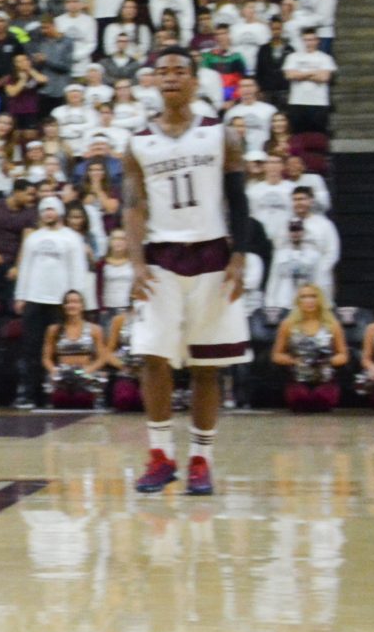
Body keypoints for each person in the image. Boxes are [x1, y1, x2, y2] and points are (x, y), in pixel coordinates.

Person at [127, 50, 261, 496]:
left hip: (213, 257)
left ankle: (201, 460)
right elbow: (133, 204)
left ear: (194, 79)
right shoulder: (137, 142)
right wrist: (134, 260)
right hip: (161, 258)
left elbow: (238, 200)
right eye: (163, 71)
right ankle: (160, 454)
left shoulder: (221, 136)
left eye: (178, 70)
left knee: (208, 365)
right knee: (151, 355)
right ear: (155, 81)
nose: (170, 77)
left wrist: (240, 255)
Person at [9, 195, 95, 412]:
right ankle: (30, 394)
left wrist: (77, 300)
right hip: (35, 299)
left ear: (60, 212)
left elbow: (78, 269)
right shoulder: (33, 239)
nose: (48, 213)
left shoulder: (72, 238)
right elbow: (25, 267)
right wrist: (21, 296)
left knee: (58, 349)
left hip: (60, 301)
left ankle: (55, 392)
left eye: (52, 209)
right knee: (31, 348)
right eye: (45, 209)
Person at [271, 282, 346, 413]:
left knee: (322, 399)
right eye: (304, 297)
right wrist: (294, 361)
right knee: (300, 399)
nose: (309, 300)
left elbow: (343, 355)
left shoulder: (333, 325)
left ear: (320, 299)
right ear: (298, 301)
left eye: (313, 296)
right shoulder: (288, 325)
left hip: (325, 377)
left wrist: (327, 361)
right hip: (298, 376)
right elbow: (276, 355)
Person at [43, 290, 108, 407]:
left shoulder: (95, 329)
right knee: (60, 400)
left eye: (75, 302)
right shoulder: (53, 330)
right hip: (63, 373)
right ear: (64, 306)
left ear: (82, 306)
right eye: (68, 302)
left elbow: (102, 358)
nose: (72, 305)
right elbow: (46, 358)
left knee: (82, 399)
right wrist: (54, 371)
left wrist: (89, 370)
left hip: (86, 373)